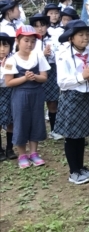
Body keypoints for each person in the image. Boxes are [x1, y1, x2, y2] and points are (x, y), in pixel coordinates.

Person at [54, 20, 89, 184]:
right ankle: (73, 171)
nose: (85, 38)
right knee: (72, 136)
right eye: (81, 35)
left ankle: (81, 167)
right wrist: (82, 77)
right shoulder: (63, 54)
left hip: (87, 96)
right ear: (71, 38)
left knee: (82, 134)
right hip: (72, 97)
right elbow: (62, 82)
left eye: (88, 35)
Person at [3, 25, 49, 169]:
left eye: (33, 41)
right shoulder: (11, 60)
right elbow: (8, 82)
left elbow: (44, 77)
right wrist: (25, 78)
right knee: (21, 122)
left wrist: (34, 77)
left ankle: (34, 152)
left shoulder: (38, 56)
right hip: (20, 94)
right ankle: (22, 154)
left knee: (36, 120)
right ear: (17, 41)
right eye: (26, 41)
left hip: (37, 94)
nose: (30, 44)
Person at [30, 13, 62, 140]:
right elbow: (28, 57)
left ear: (47, 26)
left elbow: (58, 55)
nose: (40, 28)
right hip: (36, 71)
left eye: (42, 25)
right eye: (37, 26)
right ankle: (37, 131)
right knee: (36, 103)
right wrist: (42, 54)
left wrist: (50, 54)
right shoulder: (31, 41)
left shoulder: (53, 39)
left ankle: (54, 130)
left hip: (51, 70)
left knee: (53, 101)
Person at [0, 33, 16, 161]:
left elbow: (11, 78)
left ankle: (10, 148)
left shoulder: (12, 60)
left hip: (10, 92)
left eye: (5, 45)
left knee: (11, 121)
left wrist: (5, 67)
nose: (2, 49)